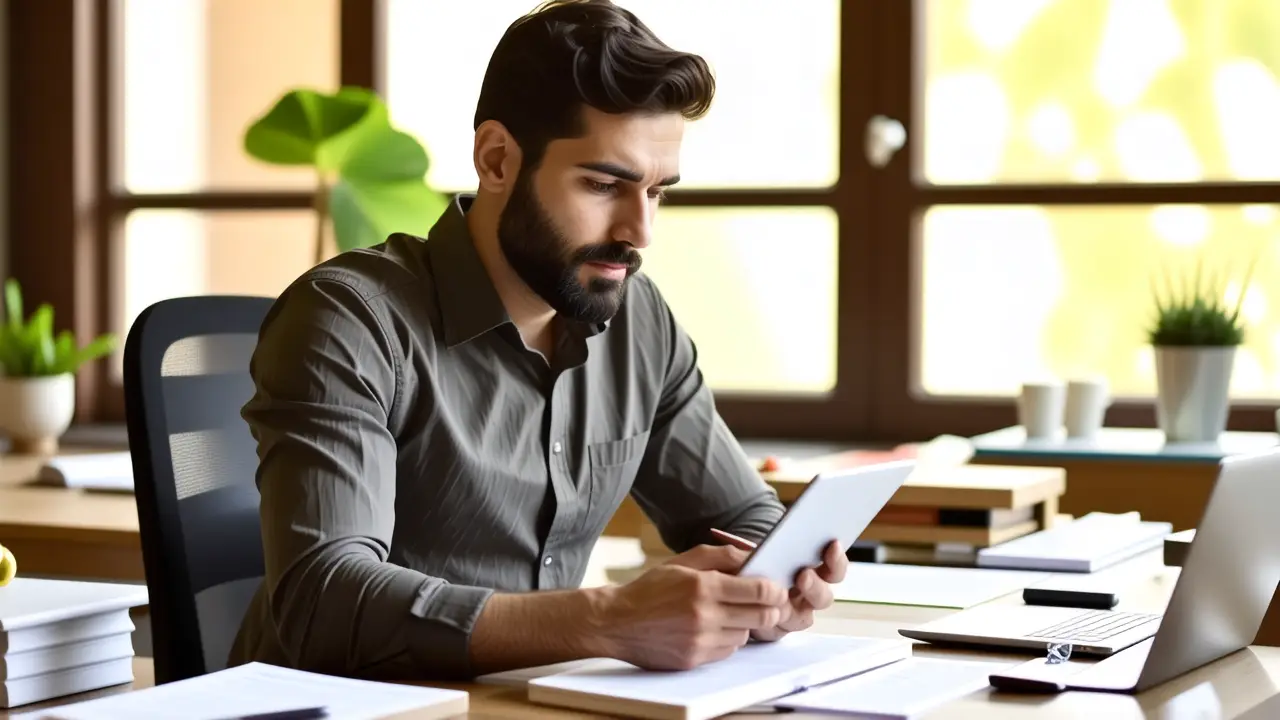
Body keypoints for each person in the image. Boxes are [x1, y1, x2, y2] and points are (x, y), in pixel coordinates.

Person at [229, 0, 847, 681]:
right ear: (497, 160)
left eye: (657, 191)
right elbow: (324, 603)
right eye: (604, 184)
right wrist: (610, 619)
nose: (639, 231)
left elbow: (741, 515)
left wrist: (771, 586)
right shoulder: (348, 322)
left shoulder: (638, 321)